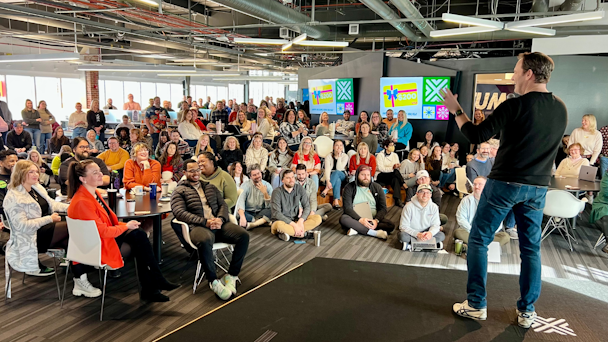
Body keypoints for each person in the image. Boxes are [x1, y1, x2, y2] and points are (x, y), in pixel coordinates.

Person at [442, 52, 567, 327]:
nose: (513, 76)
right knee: (530, 250)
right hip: (537, 189)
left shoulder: (514, 106)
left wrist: (456, 109)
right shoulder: (561, 108)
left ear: (529, 74)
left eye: (516, 71)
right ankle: (527, 312)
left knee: (478, 240)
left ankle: (476, 304)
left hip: (505, 184)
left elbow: (475, 135)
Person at [67, 159, 178, 301]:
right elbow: (103, 232)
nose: (101, 174)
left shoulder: (92, 194)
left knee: (139, 235)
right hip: (96, 247)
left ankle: (153, 285)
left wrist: (126, 226)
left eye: (99, 171)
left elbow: (107, 223)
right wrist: (125, 226)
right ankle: (154, 284)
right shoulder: (83, 201)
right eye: (95, 173)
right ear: (83, 179)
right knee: (139, 239)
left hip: (99, 239)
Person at [171, 158, 249, 300]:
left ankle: (231, 275)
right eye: (191, 170)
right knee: (206, 239)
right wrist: (205, 222)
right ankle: (213, 281)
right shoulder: (179, 190)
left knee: (243, 236)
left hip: (218, 225)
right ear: (184, 172)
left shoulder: (209, 187)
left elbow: (223, 205)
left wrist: (220, 219)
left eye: (197, 170)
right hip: (198, 227)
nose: (195, 173)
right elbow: (179, 213)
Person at [3, 160, 69, 281]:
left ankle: (76, 264)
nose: (36, 175)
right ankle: (77, 264)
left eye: (36, 171)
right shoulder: (13, 197)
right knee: (70, 226)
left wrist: (72, 207)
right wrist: (49, 218)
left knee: (74, 221)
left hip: (44, 228)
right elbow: (23, 226)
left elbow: (52, 204)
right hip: (29, 237)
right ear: (20, 174)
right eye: (31, 172)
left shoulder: (36, 187)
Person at [340, 165, 393, 240]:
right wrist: (360, 220)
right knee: (344, 219)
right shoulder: (349, 187)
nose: (366, 177)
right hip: (355, 218)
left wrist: (376, 221)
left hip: (372, 218)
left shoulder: (377, 187)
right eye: (363, 175)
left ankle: (357, 229)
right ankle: (374, 233)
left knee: (390, 225)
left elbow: (383, 208)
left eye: (368, 175)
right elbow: (347, 208)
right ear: (357, 175)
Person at [455, 176, 510, 247]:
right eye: (474, 184)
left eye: (480, 184)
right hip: (470, 231)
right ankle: (486, 247)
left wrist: (487, 234)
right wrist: (473, 231)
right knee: (458, 232)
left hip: (488, 233)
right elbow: (460, 218)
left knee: (505, 236)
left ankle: (474, 246)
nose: (476, 187)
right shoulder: (466, 200)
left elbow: (498, 221)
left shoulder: (494, 201)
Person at [270, 169, 322, 242]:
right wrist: (294, 225)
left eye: (292, 177)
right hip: (282, 221)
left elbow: (307, 206)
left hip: (296, 219)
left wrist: (300, 221)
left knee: (318, 218)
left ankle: (290, 233)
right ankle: (304, 233)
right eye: (288, 178)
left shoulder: (299, 188)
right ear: (282, 180)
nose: (291, 180)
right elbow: (276, 213)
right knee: (278, 225)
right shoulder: (276, 192)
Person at [399, 184, 445, 251]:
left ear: (431, 195)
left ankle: (411, 246)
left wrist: (430, 233)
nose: (425, 195)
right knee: (403, 236)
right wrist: (417, 234)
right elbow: (403, 226)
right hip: (413, 233)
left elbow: (436, 225)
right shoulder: (408, 207)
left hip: (426, 232)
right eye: (422, 192)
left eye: (428, 193)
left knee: (441, 235)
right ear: (417, 193)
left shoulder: (434, 207)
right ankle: (430, 245)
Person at [235, 164, 272, 230]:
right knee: (239, 213)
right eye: (254, 175)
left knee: (272, 210)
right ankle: (261, 221)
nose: (257, 176)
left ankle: (254, 223)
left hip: (261, 212)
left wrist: (265, 193)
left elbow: (270, 206)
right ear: (250, 176)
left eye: (258, 173)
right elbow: (240, 202)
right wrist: (242, 217)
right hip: (248, 211)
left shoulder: (267, 185)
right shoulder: (245, 186)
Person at [375, 139, 405, 207]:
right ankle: (403, 183)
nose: (393, 146)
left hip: (392, 175)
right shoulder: (380, 155)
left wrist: (397, 166)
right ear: (386, 147)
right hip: (381, 175)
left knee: (395, 179)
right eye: (391, 145)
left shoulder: (395, 155)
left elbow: (396, 167)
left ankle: (397, 199)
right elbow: (381, 168)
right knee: (395, 172)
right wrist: (392, 168)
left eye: (393, 145)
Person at [321, 140, 349, 209]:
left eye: (341, 145)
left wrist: (339, 157)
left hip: (342, 174)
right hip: (331, 176)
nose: (339, 147)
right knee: (337, 180)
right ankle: (336, 202)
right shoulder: (329, 156)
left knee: (336, 173)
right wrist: (327, 181)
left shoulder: (345, 156)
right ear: (333, 147)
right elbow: (327, 169)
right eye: (337, 145)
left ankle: (326, 190)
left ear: (343, 147)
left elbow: (339, 168)